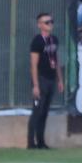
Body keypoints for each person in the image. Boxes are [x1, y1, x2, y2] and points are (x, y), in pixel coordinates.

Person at [27, 12, 61, 151]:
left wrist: (60, 80)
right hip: (41, 79)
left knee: (45, 111)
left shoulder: (54, 39)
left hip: (51, 79)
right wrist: (35, 85)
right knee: (37, 111)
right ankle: (31, 143)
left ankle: (41, 141)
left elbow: (56, 60)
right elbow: (33, 64)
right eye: (47, 22)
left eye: (51, 21)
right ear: (40, 25)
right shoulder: (37, 41)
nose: (50, 24)